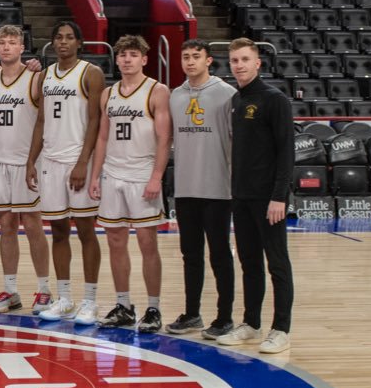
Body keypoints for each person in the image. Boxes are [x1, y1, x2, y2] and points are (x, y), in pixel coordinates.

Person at [89, 35, 172, 333]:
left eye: (133, 54)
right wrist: (95, 175)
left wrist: (156, 177)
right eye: (123, 54)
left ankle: (154, 308)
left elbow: (164, 138)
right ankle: (123, 305)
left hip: (142, 174)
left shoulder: (157, 91)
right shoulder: (108, 94)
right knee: (115, 241)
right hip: (113, 173)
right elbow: (102, 137)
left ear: (144, 59)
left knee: (147, 242)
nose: (127, 59)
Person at [217, 37, 294, 354]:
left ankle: (281, 329)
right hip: (242, 196)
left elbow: (286, 152)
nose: (239, 65)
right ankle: (251, 323)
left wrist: (279, 197)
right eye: (234, 60)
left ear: (258, 63)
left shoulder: (275, 99)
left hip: (269, 199)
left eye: (245, 59)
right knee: (249, 262)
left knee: (277, 263)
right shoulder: (236, 99)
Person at [32, 21, 108, 325]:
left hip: (78, 160)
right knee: (58, 231)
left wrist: (82, 163)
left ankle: (90, 300)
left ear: (79, 42)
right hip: (50, 160)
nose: (63, 42)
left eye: (69, 38)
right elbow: (41, 120)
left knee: (87, 230)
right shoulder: (46, 75)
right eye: (58, 37)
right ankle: (64, 298)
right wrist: (30, 161)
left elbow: (95, 121)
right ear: (52, 42)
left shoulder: (91, 73)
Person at [165, 39, 237, 339]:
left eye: (196, 56)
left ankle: (225, 317)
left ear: (208, 60)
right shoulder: (175, 95)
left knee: (220, 254)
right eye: (186, 56)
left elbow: (236, 141)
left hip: (217, 188)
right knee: (190, 255)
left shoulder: (226, 93)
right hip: (186, 188)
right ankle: (192, 314)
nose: (190, 61)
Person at [0, 26, 52, 313]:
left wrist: (32, 161)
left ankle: (44, 289)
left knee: (33, 225)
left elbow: (44, 121)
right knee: (6, 226)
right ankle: (11, 290)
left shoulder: (35, 78)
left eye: (12, 42)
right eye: (2, 42)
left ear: (22, 47)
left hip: (27, 162)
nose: (6, 47)